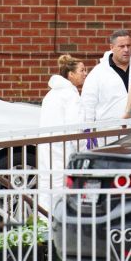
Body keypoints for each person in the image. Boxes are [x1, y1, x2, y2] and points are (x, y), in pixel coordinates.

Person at [37, 54, 87, 211]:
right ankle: (60, 226)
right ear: (70, 74)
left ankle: (43, 225)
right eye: (82, 70)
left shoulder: (51, 94)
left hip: (46, 145)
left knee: (46, 184)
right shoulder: (71, 95)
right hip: (62, 147)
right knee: (61, 186)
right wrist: (82, 149)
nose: (85, 73)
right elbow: (75, 126)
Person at [81, 30, 131, 124]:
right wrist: (88, 130)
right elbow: (88, 103)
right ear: (112, 47)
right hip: (110, 132)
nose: (126, 50)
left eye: (128, 45)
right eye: (121, 46)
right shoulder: (98, 72)